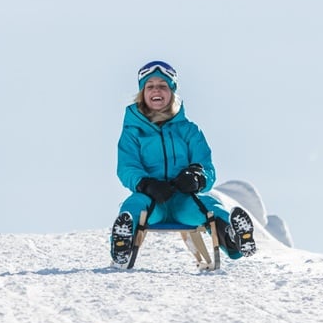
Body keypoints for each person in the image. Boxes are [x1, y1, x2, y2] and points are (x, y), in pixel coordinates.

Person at [110, 59, 257, 264]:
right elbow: (127, 166)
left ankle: (234, 238)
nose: (156, 90)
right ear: (142, 93)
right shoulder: (133, 132)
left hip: (183, 200)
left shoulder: (189, 131)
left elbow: (205, 165)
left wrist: (197, 177)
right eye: (150, 86)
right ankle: (122, 243)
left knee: (209, 205)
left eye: (163, 86)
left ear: (171, 92)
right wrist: (146, 184)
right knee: (134, 204)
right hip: (151, 198)